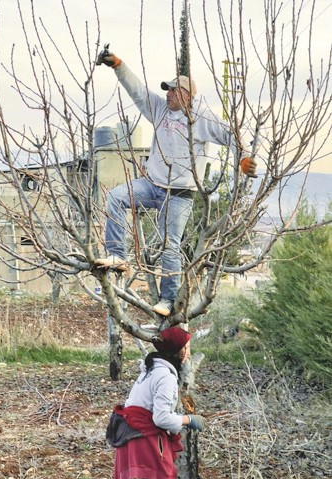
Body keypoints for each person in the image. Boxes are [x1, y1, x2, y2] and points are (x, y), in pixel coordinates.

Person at [96, 50, 257, 317]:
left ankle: (168, 300)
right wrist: (119, 66)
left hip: (180, 194)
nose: (167, 94)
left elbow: (234, 135)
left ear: (186, 95)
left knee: (170, 245)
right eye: (167, 91)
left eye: (172, 91)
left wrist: (245, 158)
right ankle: (116, 255)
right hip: (152, 185)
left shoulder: (201, 118)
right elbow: (137, 90)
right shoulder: (159, 109)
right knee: (116, 197)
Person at [106, 326, 206, 479]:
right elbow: (160, 418)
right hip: (141, 439)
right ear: (177, 352)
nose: (189, 353)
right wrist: (188, 419)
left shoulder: (152, 370)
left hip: (132, 435)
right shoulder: (165, 376)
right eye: (186, 348)